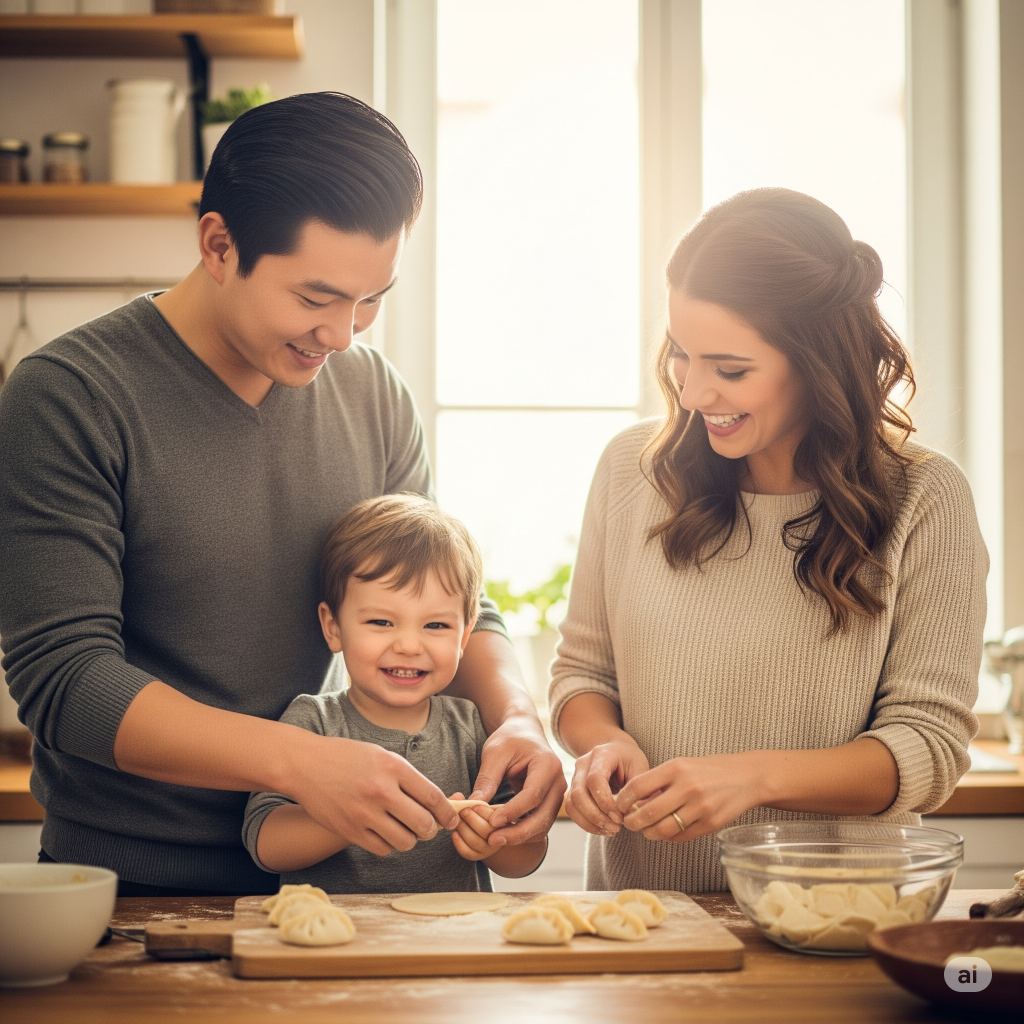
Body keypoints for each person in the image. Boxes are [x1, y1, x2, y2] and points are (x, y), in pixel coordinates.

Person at [0, 92, 564, 897]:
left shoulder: (374, 395)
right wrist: (302, 762)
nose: (343, 335)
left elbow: (449, 596)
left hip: (339, 894)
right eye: (315, 298)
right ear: (219, 245)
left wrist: (517, 718)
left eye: (371, 300)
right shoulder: (69, 395)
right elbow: (67, 683)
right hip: (129, 891)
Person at [551, 188, 987, 893]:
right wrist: (606, 746)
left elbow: (928, 748)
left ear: (820, 363)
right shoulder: (633, 473)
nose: (693, 394)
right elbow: (582, 677)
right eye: (683, 356)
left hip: (836, 921)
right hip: (642, 920)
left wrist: (749, 779)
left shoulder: (926, 499)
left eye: (730, 370)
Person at [243, 494, 548, 891]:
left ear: (465, 634)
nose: (408, 645)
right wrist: (351, 817)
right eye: (382, 621)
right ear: (333, 626)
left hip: (450, 943)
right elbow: (266, 843)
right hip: (334, 946)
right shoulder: (312, 721)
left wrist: (493, 839)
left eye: (435, 626)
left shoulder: (473, 728)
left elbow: (527, 856)